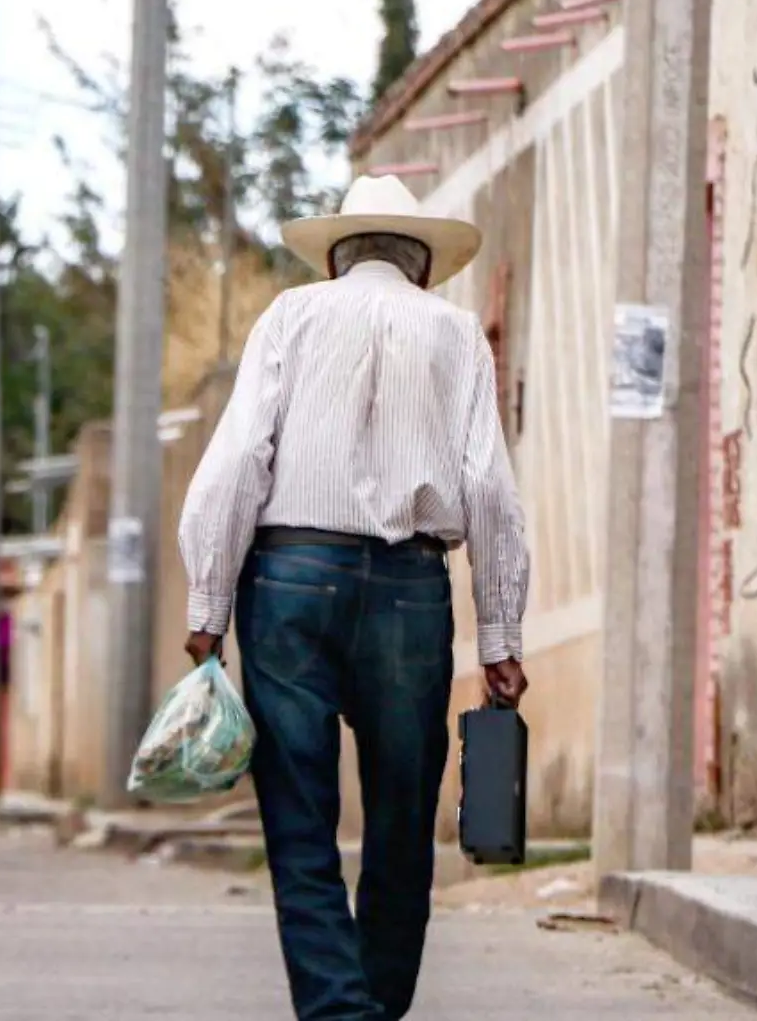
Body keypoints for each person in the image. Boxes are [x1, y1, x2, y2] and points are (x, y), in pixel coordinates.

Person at [178, 175, 530, 1020]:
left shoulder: (290, 318)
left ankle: (342, 1010)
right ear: (421, 264)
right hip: (411, 592)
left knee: (300, 820)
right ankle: (372, 1003)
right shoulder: (455, 334)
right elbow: (489, 489)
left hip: (289, 584)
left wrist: (207, 607)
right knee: (403, 821)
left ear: (337, 257)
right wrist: (500, 636)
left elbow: (236, 464)